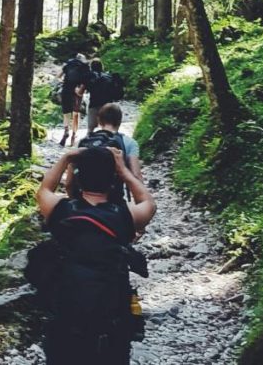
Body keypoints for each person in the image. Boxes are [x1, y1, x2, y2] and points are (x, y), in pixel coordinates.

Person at [36, 146, 157, 365]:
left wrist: (66, 158)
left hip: (66, 313)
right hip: (110, 316)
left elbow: (44, 190)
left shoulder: (60, 210)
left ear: (80, 178)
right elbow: (149, 204)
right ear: (113, 180)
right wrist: (124, 171)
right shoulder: (124, 214)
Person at [71, 103, 142, 203]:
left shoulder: (84, 142)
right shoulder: (129, 143)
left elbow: (69, 181)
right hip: (114, 200)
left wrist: (73, 202)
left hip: (84, 200)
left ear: (99, 120)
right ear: (120, 121)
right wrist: (140, 204)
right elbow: (136, 175)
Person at [59, 53, 90, 146]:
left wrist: (63, 83)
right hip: (77, 91)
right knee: (76, 114)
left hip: (66, 90)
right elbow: (87, 81)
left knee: (66, 113)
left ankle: (66, 131)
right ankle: (74, 135)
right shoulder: (84, 67)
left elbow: (59, 77)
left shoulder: (68, 65)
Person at [84, 59, 121, 134]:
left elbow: (81, 91)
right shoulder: (109, 77)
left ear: (91, 67)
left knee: (90, 129)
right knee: (110, 127)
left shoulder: (90, 77)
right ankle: (113, 140)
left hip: (94, 105)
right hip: (107, 106)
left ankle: (88, 140)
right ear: (102, 67)